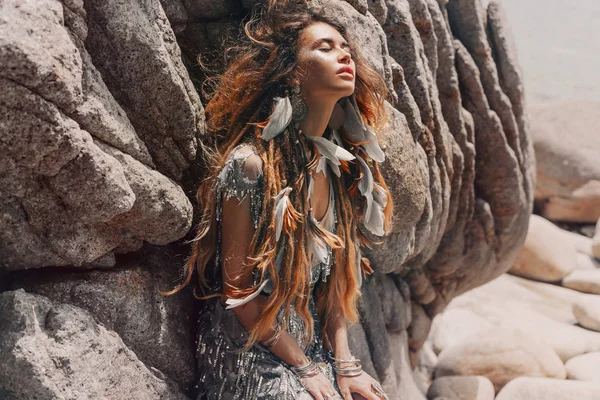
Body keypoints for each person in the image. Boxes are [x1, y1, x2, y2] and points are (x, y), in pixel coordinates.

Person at [161, 1, 394, 399]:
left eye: (346, 48)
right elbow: (238, 294)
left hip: (309, 348)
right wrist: (303, 367)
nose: (344, 54)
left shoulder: (336, 169)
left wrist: (346, 365)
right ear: (292, 73)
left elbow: (336, 288)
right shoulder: (249, 167)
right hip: (247, 351)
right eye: (324, 47)